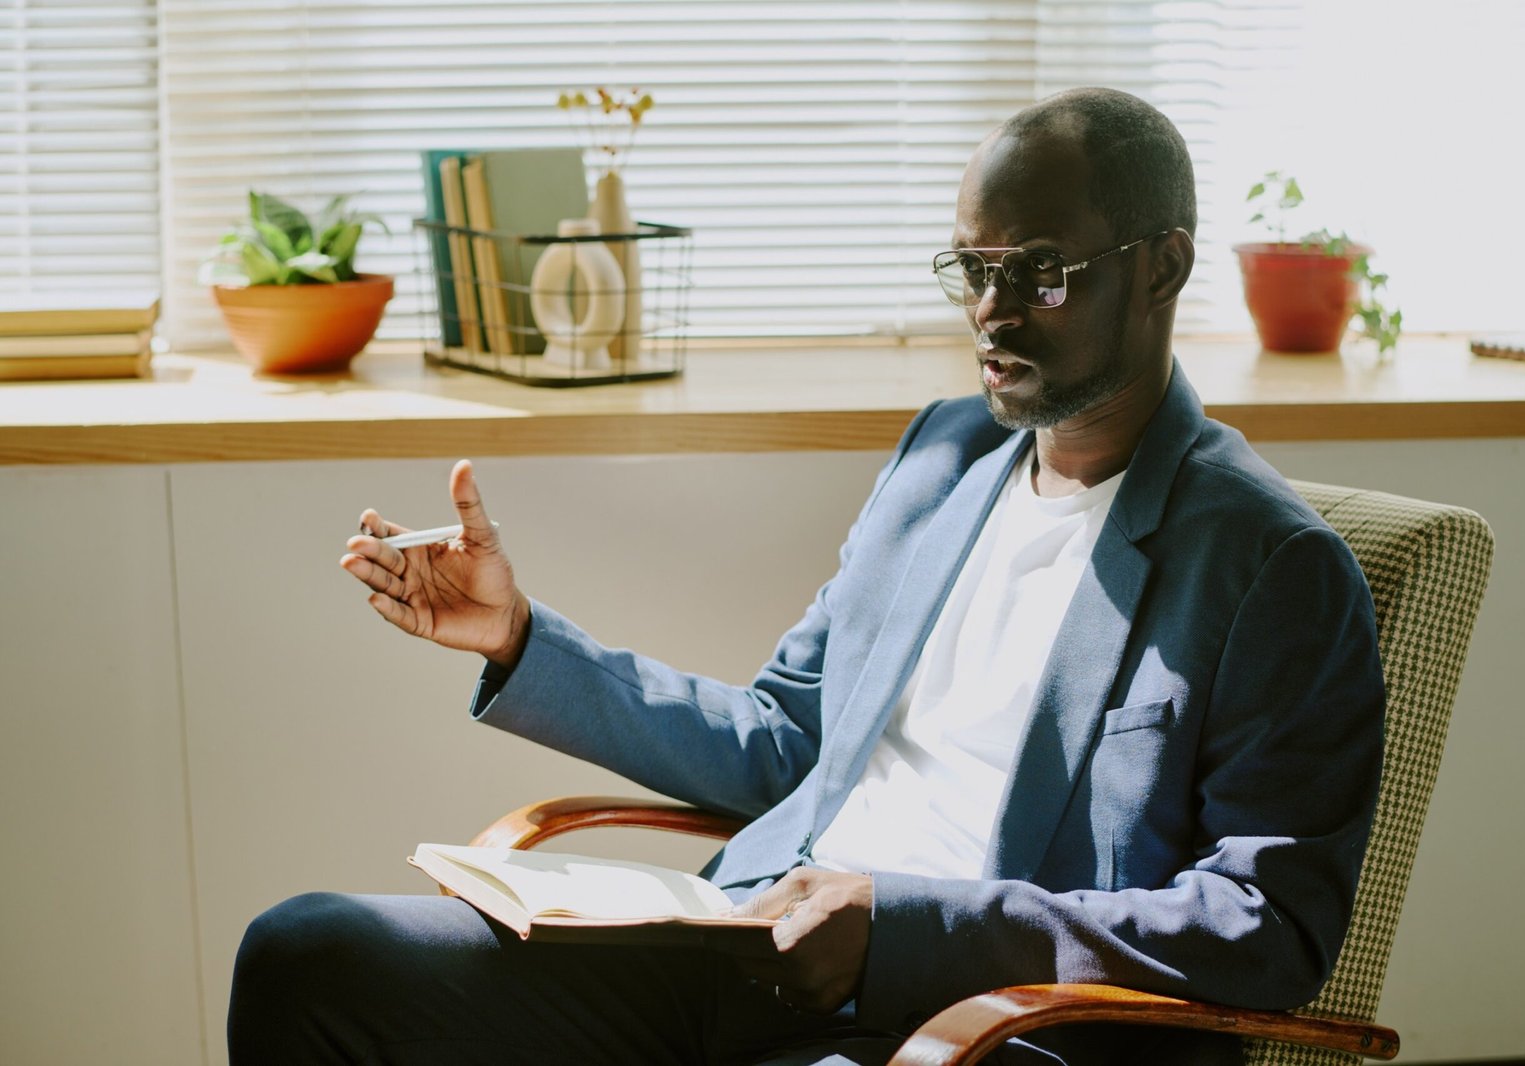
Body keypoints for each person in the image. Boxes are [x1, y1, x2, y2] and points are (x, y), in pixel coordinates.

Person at [229, 87, 1384, 1066]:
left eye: (1038, 272)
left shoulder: (1270, 567)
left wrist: (907, 926)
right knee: (307, 955)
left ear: (1163, 267)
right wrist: (519, 638)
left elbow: (1262, 924)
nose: (989, 313)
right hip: (748, 948)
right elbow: (784, 740)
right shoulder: (944, 460)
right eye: (972, 269)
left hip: (978, 1023)